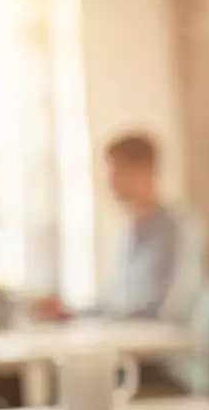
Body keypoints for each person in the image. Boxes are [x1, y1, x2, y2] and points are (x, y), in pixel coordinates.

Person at [34, 132, 178, 321]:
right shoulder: (130, 232)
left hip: (156, 342)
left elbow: (151, 308)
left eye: (117, 169)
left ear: (143, 171)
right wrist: (71, 313)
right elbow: (114, 302)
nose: (110, 181)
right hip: (126, 336)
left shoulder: (173, 232)